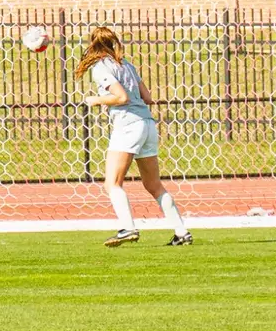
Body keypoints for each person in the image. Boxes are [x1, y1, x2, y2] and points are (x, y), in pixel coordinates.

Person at [76, 26, 191, 248]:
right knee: (153, 184)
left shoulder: (101, 67)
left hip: (128, 125)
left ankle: (128, 228)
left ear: (93, 45)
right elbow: (147, 97)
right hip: (147, 124)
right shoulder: (127, 65)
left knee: (112, 183)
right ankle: (181, 232)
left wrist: (97, 100)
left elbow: (121, 97)